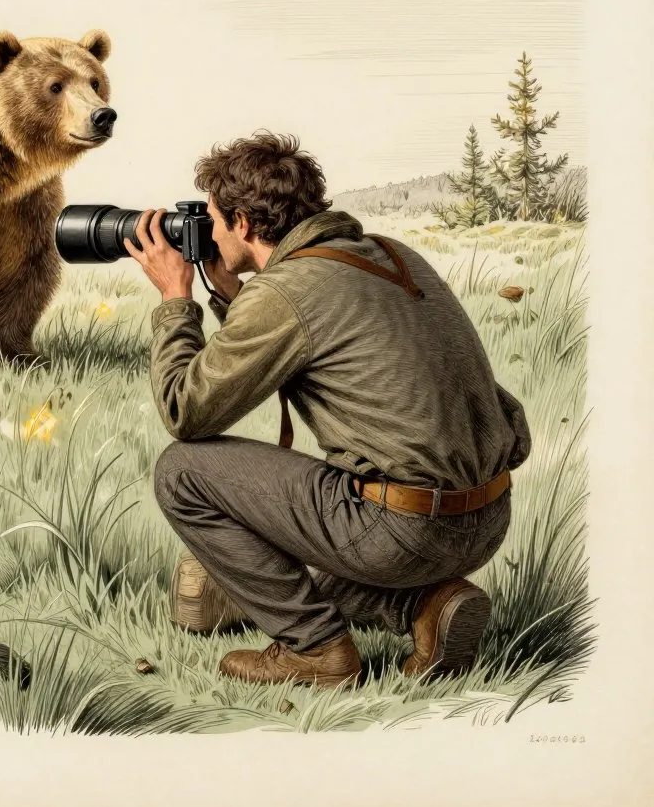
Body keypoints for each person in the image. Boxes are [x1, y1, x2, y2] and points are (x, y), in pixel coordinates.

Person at [123, 131, 531, 688]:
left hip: (404, 529)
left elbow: (185, 411)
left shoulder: (289, 290)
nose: (209, 233)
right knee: (309, 555)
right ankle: (428, 605)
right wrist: (228, 295)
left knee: (181, 472)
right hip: (485, 520)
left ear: (243, 223)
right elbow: (314, 332)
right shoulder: (391, 254)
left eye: (214, 220)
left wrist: (176, 302)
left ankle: (317, 652)